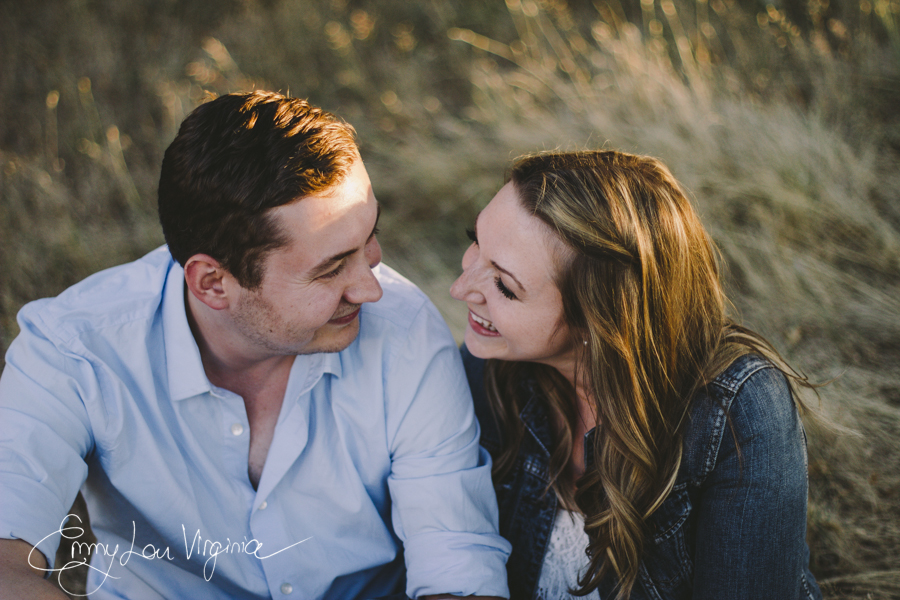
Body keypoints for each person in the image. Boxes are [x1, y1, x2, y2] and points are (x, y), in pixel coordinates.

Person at [0, 91, 510, 600]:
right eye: (332, 268)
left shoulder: (404, 331)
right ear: (213, 284)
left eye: (369, 238)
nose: (371, 289)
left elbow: (457, 562)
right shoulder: (73, 349)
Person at [450, 150, 823, 600]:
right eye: (476, 241)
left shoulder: (738, 411)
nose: (460, 288)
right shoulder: (489, 370)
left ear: (598, 319)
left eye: (505, 287)